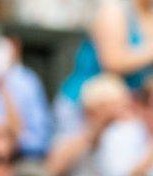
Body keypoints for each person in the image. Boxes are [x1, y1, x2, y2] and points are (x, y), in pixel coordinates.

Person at [56, 0, 153, 136]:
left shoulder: (148, 12)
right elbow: (112, 62)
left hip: (129, 109)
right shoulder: (113, 9)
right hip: (87, 105)